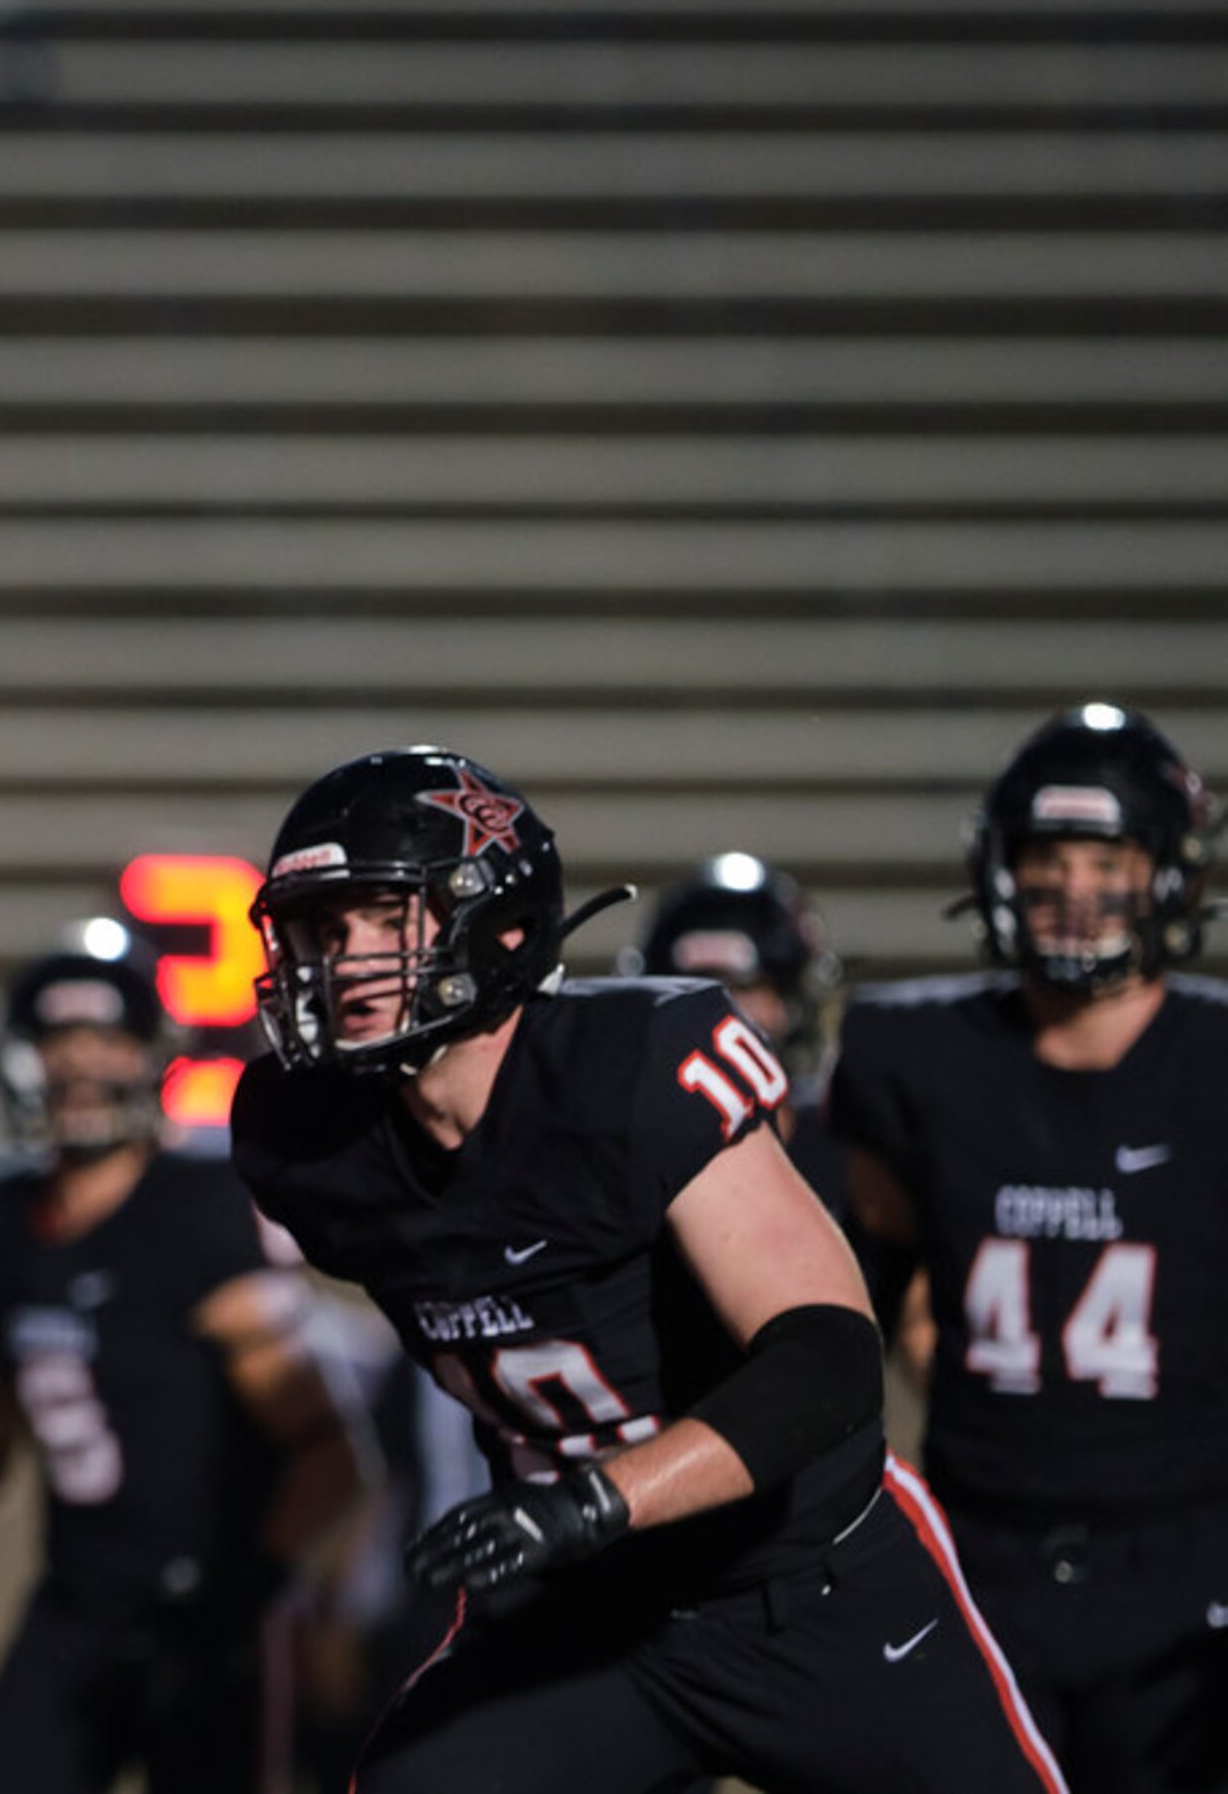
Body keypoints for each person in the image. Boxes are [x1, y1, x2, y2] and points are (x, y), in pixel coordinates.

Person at [228, 747, 1068, 1794]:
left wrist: (587, 1502)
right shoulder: (302, 1141)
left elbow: (826, 1361)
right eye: (321, 926)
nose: (343, 957)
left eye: (382, 918)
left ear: (493, 917)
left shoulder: (627, 1068)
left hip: (806, 1584)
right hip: (577, 1616)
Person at [0, 948, 367, 1794]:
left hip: (208, 1608)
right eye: (59, 1043)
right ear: (19, 1060)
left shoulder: (196, 1213)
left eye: (105, 1043)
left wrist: (255, 1587)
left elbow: (327, 1453)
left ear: (149, 1059)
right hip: (77, 1603)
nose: (80, 1066)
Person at [829, 703, 1228, 1792]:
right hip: (981, 1543)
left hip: (1188, 1548)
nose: (1071, 887)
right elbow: (879, 1274)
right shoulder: (912, 1052)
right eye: (1046, 857)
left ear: (1165, 874)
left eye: (1106, 858)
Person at [618, 853, 851, 1218]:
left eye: (744, 988)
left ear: (791, 1000)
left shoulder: (850, 1148)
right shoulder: (620, 1154)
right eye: (693, 993)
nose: (713, 1017)